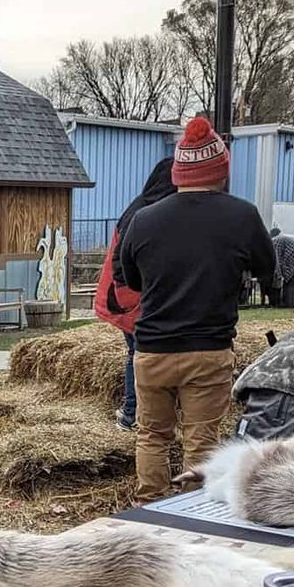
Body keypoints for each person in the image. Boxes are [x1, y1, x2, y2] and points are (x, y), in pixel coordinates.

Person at [115, 116, 276, 503]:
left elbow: (129, 279)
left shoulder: (144, 219)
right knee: (201, 440)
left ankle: (148, 508)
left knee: (152, 435)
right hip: (208, 348)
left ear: (178, 172)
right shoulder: (243, 215)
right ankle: (191, 515)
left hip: (152, 350)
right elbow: (268, 271)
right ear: (221, 171)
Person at [93, 157, 176, 432]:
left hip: (127, 296)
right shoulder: (146, 215)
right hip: (129, 298)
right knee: (138, 354)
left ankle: (133, 412)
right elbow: (122, 264)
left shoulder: (140, 208)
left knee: (137, 353)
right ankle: (132, 413)